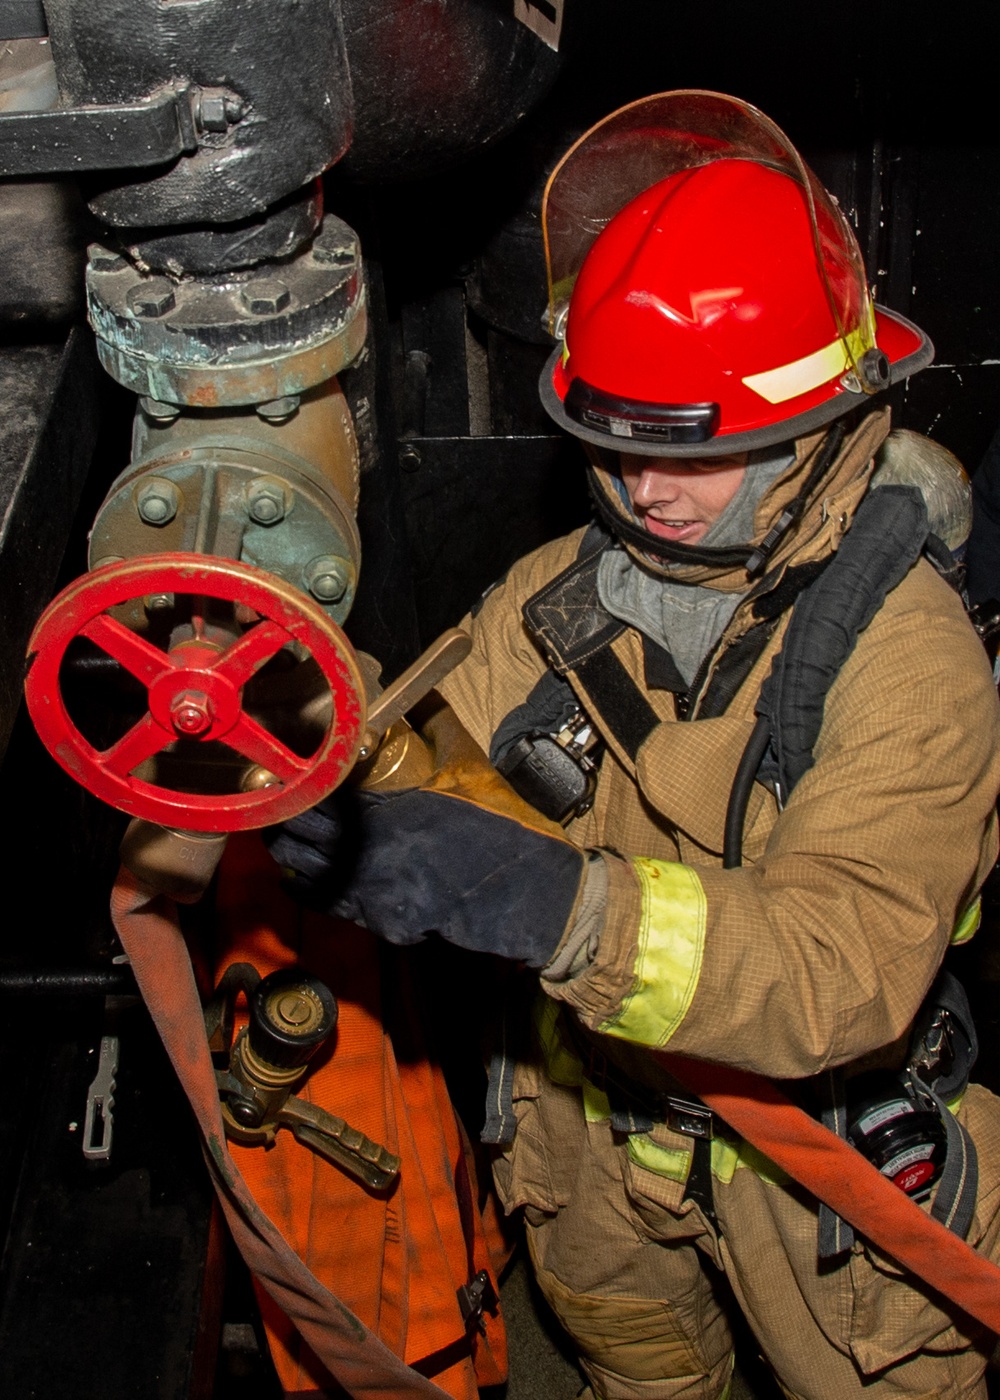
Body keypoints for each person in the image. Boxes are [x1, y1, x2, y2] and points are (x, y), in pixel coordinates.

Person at [269, 92, 1000, 1398]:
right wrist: (313, 743)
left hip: (817, 1163)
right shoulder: (565, 588)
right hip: (596, 1132)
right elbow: (425, 754)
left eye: (683, 453)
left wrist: (554, 904)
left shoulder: (911, 664)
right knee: (637, 1367)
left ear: (818, 420)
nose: (640, 491)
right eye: (607, 442)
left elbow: (841, 974)